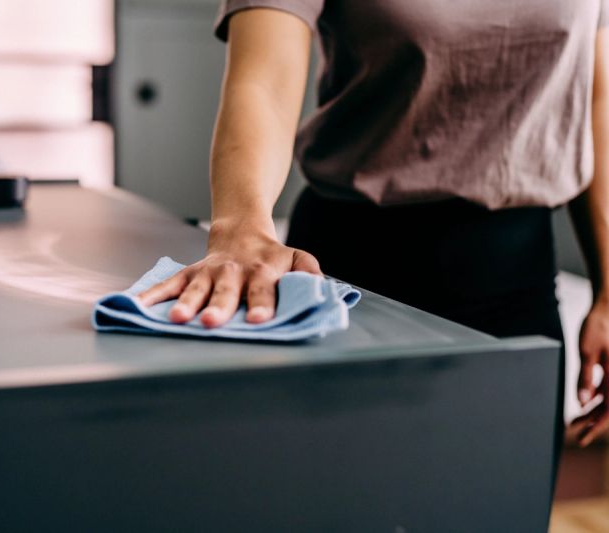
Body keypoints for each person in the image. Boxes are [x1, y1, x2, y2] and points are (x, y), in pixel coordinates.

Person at [138, 1, 609, 450]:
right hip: (356, 280)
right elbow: (263, 80)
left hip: (517, 285)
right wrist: (239, 228)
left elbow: (595, 92)